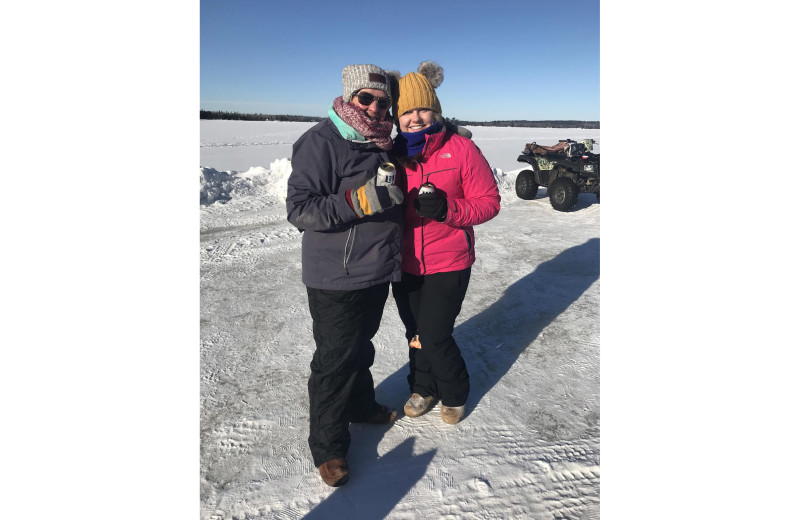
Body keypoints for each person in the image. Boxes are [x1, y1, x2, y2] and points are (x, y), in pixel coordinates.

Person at [286, 64, 405, 487]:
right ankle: (329, 446)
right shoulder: (321, 141)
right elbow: (300, 209)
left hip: (376, 269)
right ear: (350, 97)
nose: (375, 106)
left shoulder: (384, 141)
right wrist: (359, 200)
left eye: (383, 100)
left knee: (360, 347)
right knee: (335, 361)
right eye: (366, 98)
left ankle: (360, 406)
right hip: (335, 275)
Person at [388, 61, 501, 425]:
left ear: (435, 109)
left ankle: (454, 391)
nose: (415, 118)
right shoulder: (392, 154)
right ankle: (423, 387)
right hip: (404, 262)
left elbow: (489, 202)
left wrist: (447, 209)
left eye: (422, 108)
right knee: (415, 332)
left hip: (449, 260)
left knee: (435, 334)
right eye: (406, 111)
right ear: (397, 116)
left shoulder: (461, 149)